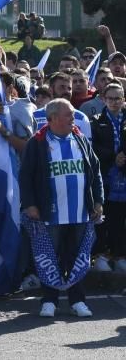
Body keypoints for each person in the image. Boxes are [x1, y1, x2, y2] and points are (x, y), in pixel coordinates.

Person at [20, 98, 103, 318]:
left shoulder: (80, 138)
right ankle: (49, 300)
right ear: (53, 118)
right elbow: (25, 176)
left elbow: (95, 171)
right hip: (51, 214)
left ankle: (78, 301)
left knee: (76, 259)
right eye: (68, 114)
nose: (72, 118)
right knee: (51, 258)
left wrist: (98, 201)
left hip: (79, 213)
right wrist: (30, 204)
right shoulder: (36, 143)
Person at [89, 83, 126, 273]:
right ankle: (102, 255)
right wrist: (114, 156)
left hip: (124, 174)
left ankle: (120, 255)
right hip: (105, 175)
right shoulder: (95, 120)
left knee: (121, 218)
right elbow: (92, 147)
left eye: (118, 98)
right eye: (110, 98)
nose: (114, 102)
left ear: (123, 99)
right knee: (105, 217)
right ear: (103, 99)